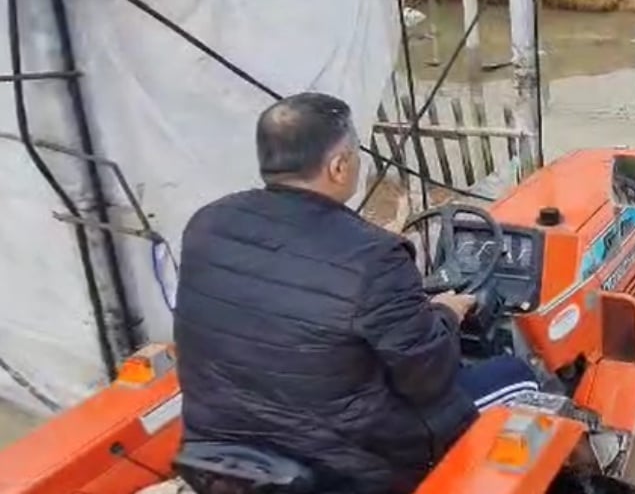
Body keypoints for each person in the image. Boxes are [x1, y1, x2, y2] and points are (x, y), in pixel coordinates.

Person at [174, 92, 540, 494]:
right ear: (338, 166)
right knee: (517, 375)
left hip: (227, 448)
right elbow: (430, 376)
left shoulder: (206, 224)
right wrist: (446, 314)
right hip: (352, 465)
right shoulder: (375, 256)